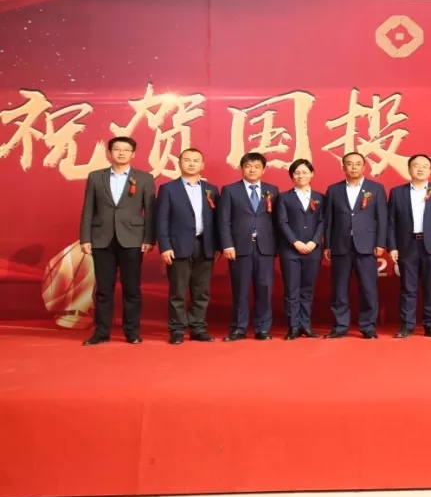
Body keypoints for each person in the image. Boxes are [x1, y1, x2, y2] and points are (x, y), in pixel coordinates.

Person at [79, 136, 156, 346]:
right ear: (109, 153)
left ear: (133, 154)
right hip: (101, 238)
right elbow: (88, 209)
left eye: (126, 150)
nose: (121, 153)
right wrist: (85, 237)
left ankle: (132, 331)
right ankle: (101, 331)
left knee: (132, 289)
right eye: (117, 149)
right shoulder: (96, 177)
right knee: (103, 289)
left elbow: (150, 211)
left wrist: (149, 238)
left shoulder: (144, 178)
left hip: (132, 239)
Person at [156, 148, 218, 344]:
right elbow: (161, 220)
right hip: (177, 246)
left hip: (205, 245)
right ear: (179, 163)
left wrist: (217, 246)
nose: (191, 164)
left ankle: (198, 328)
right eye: (187, 160)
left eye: (196, 160)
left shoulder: (211, 189)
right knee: (178, 291)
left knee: (202, 291)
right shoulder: (168, 189)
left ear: (202, 164)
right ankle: (177, 329)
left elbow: (217, 221)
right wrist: (165, 246)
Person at [323, 152, 387, 339]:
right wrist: (328, 244)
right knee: (339, 289)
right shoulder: (334, 190)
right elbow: (329, 220)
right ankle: (340, 326)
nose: (353, 167)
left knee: (368, 288)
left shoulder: (375, 189)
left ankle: (368, 326)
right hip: (340, 244)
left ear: (364, 167)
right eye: (349, 164)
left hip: (367, 245)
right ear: (343, 167)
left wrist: (380, 243)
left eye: (358, 164)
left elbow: (382, 218)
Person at [387, 154, 431, 338]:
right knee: (408, 287)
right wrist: (392, 246)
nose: (420, 169)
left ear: (430, 170)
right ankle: (407, 326)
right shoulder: (397, 192)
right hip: (407, 245)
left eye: (425, 166)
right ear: (409, 169)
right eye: (416, 165)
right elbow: (391, 222)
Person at [218, 152, 280, 341]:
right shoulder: (230, 190)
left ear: (263, 170)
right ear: (241, 168)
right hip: (239, 247)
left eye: (256, 166)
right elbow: (223, 220)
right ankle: (239, 328)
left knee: (265, 289)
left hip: (265, 248)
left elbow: (277, 221)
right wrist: (227, 244)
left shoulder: (272, 190)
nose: (252, 170)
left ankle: (263, 328)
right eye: (248, 166)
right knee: (240, 289)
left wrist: (277, 247)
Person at [276, 159, 324, 340]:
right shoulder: (283, 197)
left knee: (307, 289)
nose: (301, 176)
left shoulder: (320, 197)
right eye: (297, 173)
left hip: (313, 249)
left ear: (312, 174)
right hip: (290, 250)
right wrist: (295, 242)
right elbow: (282, 222)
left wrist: (314, 242)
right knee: (291, 289)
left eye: (304, 172)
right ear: (291, 176)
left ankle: (306, 325)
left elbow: (323, 222)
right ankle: (293, 326)